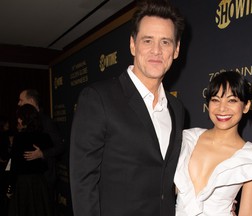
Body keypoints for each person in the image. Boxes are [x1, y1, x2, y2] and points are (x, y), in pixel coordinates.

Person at [69, 1, 185, 216]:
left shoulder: (177, 108)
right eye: (147, 40)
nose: (156, 51)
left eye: (166, 42)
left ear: (176, 50)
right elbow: (83, 182)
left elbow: (167, 177)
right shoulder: (98, 98)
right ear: (133, 44)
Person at [174, 71, 252, 216]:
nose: (222, 108)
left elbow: (247, 213)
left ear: (246, 106)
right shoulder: (186, 138)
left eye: (232, 100)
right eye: (215, 100)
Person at [18, 89, 65, 215]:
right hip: (29, 182)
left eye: (21, 100)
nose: (19, 103)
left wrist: (42, 154)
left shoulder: (47, 122)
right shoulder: (26, 122)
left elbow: (60, 146)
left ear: (31, 101)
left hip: (45, 180)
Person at [7, 104, 53, 216]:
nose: (18, 120)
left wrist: (10, 189)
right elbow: (51, 160)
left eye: (20, 117)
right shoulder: (45, 137)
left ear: (25, 119)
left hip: (23, 185)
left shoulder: (19, 138)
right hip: (40, 184)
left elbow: (15, 167)